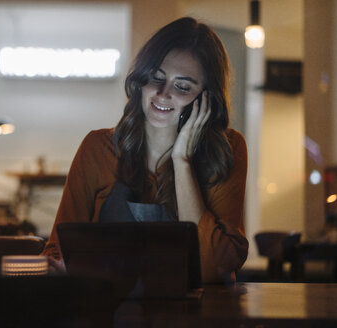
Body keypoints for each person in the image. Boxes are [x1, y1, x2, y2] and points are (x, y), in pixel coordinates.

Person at [42, 16, 248, 284]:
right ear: (141, 79)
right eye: (156, 78)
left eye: (182, 86)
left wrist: (182, 161)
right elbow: (56, 253)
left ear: (206, 97)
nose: (163, 94)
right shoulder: (97, 148)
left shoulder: (227, 149)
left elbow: (213, 268)